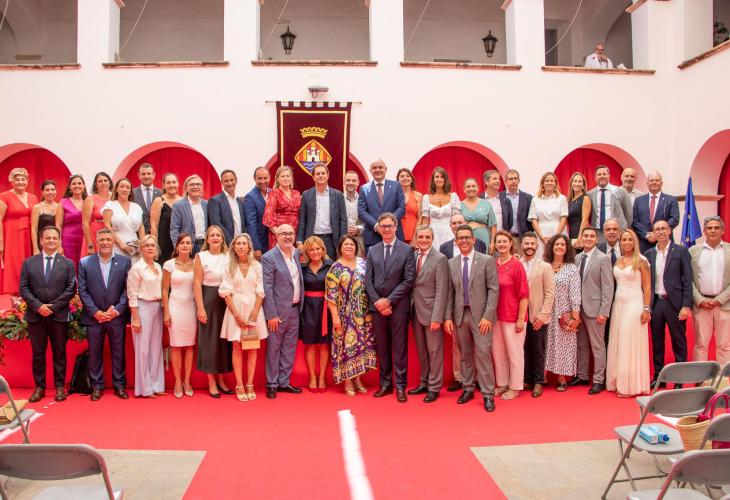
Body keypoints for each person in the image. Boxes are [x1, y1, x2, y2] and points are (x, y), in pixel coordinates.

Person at [444, 225, 500, 413]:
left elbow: (494, 290)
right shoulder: (451, 263)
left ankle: (488, 394)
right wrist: (448, 317)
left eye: (467, 237)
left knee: (483, 354)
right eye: (460, 238)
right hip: (460, 316)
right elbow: (449, 293)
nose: (464, 241)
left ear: (474, 240)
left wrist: (488, 317)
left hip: (481, 317)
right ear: (456, 241)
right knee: (465, 355)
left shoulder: (486, 260)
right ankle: (467, 388)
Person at [19, 226, 76, 403]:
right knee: (38, 353)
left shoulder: (67, 263)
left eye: (54, 238)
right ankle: (39, 388)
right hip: (36, 316)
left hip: (58, 315)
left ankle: (59, 387)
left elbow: (71, 289)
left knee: (59, 352)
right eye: (48, 238)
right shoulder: (29, 263)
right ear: (41, 241)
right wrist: (38, 306)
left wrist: (53, 307)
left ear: (59, 241)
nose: (51, 241)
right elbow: (24, 288)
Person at [364, 213, 416, 402]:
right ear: (379, 228)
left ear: (396, 227)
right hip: (378, 307)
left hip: (398, 307)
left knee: (399, 347)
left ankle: (400, 385)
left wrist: (390, 301)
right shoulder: (372, 250)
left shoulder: (407, 250)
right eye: (383, 226)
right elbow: (368, 280)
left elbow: (408, 279)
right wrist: (378, 302)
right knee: (383, 347)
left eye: (389, 226)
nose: (386, 229)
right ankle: (385, 384)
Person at [78, 228, 132, 401]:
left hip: (116, 316)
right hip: (94, 318)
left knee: (118, 352)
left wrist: (116, 310)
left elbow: (127, 289)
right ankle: (97, 386)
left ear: (113, 241)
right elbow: (82, 291)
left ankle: (119, 385)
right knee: (95, 353)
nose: (105, 243)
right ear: (97, 241)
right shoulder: (85, 262)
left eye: (109, 239)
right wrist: (95, 312)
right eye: (102, 240)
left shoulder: (125, 262)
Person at [326, 235, 376, 396]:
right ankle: (348, 379)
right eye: (346, 244)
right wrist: (335, 318)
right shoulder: (335, 268)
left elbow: (371, 286)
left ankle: (358, 378)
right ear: (340, 248)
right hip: (344, 315)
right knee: (347, 347)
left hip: (363, 313)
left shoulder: (363, 263)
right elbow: (331, 297)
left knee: (362, 346)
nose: (349, 247)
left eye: (352, 244)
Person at [219, 233, 267, 402]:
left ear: (249, 247)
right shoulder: (229, 267)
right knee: (237, 348)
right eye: (238, 244)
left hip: (254, 308)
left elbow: (260, 291)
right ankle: (239, 385)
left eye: (243, 244)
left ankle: (250, 384)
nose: (240, 246)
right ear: (233, 247)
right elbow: (226, 293)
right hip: (235, 309)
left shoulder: (257, 266)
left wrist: (254, 313)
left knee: (252, 347)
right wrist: (237, 315)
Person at [645, 220, 693, 388]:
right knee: (657, 342)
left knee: (678, 342)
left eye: (663, 228)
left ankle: (679, 379)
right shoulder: (649, 254)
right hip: (656, 302)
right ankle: (660, 377)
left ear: (669, 230)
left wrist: (686, 306)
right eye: (657, 229)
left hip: (675, 304)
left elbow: (688, 280)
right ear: (653, 233)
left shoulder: (681, 251)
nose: (660, 232)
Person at [606, 229, 652, 397]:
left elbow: (647, 287)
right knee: (618, 343)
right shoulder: (618, 260)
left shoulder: (641, 260)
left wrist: (646, 309)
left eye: (629, 239)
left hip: (634, 305)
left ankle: (630, 386)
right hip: (618, 305)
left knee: (628, 343)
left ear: (635, 242)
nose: (626, 242)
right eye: (624, 240)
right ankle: (618, 380)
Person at [262, 223, 304, 399]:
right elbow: (267, 288)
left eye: (291, 233)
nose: (288, 236)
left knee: (289, 348)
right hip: (277, 313)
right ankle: (272, 383)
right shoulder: (268, 257)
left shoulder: (297, 253)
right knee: (274, 349)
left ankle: (284, 382)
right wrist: (271, 314)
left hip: (295, 310)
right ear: (276, 236)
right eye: (284, 233)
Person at [408, 225, 448, 403]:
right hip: (415, 310)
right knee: (422, 351)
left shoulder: (440, 258)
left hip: (432, 312)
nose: (423, 240)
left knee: (434, 350)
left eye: (427, 237)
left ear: (432, 239)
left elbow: (441, 290)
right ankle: (424, 383)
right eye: (421, 237)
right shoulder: (412, 256)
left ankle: (434, 387)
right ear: (416, 238)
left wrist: (437, 317)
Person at [572, 227, 614, 394]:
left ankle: (598, 380)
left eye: (591, 236)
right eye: (585, 236)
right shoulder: (577, 258)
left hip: (595, 309)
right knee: (581, 344)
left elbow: (608, 287)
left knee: (598, 346)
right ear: (581, 238)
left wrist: (604, 311)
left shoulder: (603, 258)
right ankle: (583, 375)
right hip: (578, 309)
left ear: (597, 240)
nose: (588, 238)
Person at [193, 225, 233, 398]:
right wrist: (200, 308)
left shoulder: (229, 256)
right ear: (207, 239)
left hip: (227, 300)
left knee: (223, 341)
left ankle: (222, 378)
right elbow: (196, 284)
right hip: (208, 299)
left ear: (222, 238)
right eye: (212, 235)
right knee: (209, 341)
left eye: (218, 235)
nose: (215, 238)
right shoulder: (201, 256)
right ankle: (211, 381)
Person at [491, 231, 528, 401]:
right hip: (496, 317)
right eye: (498, 241)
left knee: (515, 353)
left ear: (511, 243)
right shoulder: (493, 264)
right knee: (498, 353)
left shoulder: (517, 265)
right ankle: (503, 383)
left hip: (513, 317)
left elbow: (524, 295)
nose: (501, 244)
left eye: (504, 241)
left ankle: (515, 386)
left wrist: (521, 319)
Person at [127, 235, 164, 398]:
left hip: (157, 308)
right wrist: (135, 317)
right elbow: (132, 294)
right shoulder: (136, 268)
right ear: (141, 249)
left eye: (153, 245)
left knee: (156, 348)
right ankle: (144, 388)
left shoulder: (158, 266)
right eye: (146, 245)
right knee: (143, 350)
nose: (150, 248)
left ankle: (156, 385)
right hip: (142, 308)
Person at [543, 234, 582, 392]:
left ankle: (562, 377)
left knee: (564, 344)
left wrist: (574, 317)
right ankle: (543, 375)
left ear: (567, 248)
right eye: (557, 244)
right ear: (551, 247)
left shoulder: (571, 268)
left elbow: (575, 293)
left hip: (564, 311)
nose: (559, 247)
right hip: (546, 311)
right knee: (545, 343)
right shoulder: (545, 265)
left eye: (563, 245)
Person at [690, 216, 730, 365]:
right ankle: (700, 377)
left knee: (725, 346)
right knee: (700, 345)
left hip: (725, 305)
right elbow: (687, 280)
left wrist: (719, 299)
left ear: (723, 230)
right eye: (709, 228)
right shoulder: (693, 251)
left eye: (716, 227)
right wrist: (700, 300)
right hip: (702, 305)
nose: (713, 230)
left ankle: (725, 378)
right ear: (704, 231)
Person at [520, 232, 555, 398]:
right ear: (521, 246)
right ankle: (527, 379)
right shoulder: (517, 263)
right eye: (526, 244)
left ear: (537, 246)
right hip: (520, 316)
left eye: (532, 244)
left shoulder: (545, 267)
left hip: (538, 315)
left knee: (538, 349)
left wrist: (542, 316)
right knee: (524, 348)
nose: (529, 247)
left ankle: (538, 381)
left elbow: (550, 293)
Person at [162, 233, 197, 398]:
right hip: (175, 308)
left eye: (188, 243)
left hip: (191, 309)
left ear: (192, 246)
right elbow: (164, 290)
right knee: (175, 346)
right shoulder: (169, 265)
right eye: (182, 243)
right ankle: (177, 381)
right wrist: (166, 312)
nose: (185, 245)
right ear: (177, 246)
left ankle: (187, 381)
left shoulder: (197, 263)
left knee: (189, 346)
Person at [299, 236, 333, 393]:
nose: (315, 252)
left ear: (323, 249)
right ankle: (312, 376)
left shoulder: (331, 266)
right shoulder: (302, 267)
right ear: (307, 252)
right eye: (311, 249)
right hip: (307, 307)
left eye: (318, 248)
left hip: (326, 307)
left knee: (325, 344)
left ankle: (322, 377)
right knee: (310, 344)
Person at [296, 163, 347, 259]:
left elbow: (343, 220)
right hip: (312, 239)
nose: (320, 176)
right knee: (312, 266)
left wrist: (343, 241)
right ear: (313, 177)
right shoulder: (306, 195)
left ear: (328, 175)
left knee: (330, 267)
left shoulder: (338, 195)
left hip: (331, 240)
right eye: (317, 174)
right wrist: (299, 241)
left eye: (323, 173)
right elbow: (302, 220)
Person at [0, 167, 38, 294]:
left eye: (23, 179)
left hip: (29, 234)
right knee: (14, 262)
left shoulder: (33, 197)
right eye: (17, 180)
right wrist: (0, 242)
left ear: (27, 181)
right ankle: (13, 291)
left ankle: (27, 291)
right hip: (11, 234)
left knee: (28, 261)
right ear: (12, 181)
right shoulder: (4, 196)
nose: (21, 182)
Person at [358, 159, 406, 251]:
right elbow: (362, 211)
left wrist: (389, 224)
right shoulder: (364, 189)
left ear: (385, 169)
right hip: (372, 237)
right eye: (374, 168)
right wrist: (376, 226)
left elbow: (402, 208)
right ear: (370, 170)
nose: (377, 170)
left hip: (395, 235)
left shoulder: (396, 186)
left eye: (380, 167)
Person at [632, 171, 680, 253]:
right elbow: (635, 221)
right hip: (644, 244)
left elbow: (674, 219)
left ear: (662, 183)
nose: (654, 182)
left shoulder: (671, 200)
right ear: (647, 183)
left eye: (657, 180)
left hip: (665, 242)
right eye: (651, 180)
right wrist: (647, 235)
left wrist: (657, 233)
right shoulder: (638, 201)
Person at [527, 172, 569, 260]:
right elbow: (534, 220)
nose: (549, 183)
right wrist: (541, 237)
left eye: (552, 181)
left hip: (558, 231)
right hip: (541, 233)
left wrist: (556, 237)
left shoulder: (562, 198)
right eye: (547, 181)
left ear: (555, 183)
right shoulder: (535, 199)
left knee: (559, 257)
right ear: (542, 184)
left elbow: (563, 219)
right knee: (542, 258)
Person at [103, 178, 144, 259]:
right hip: (116, 244)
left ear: (130, 191)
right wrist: (121, 244)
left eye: (127, 187)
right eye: (122, 186)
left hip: (134, 246)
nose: (125, 189)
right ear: (116, 189)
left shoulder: (137, 207)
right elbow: (107, 225)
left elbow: (141, 227)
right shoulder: (110, 205)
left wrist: (142, 244)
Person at [421, 166, 461, 249]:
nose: (439, 179)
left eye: (442, 177)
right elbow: (425, 221)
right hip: (433, 233)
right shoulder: (426, 198)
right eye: (437, 177)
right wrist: (424, 236)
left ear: (445, 179)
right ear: (433, 180)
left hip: (449, 233)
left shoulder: (453, 197)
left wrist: (458, 234)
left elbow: (457, 219)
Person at [263, 166, 301, 249]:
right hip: (279, 233)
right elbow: (268, 216)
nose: (286, 178)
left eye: (288, 176)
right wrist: (279, 233)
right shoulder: (274, 194)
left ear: (291, 178)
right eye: (283, 176)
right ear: (277, 178)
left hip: (295, 232)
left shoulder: (296, 193)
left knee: (294, 256)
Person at [587, 165, 631, 237]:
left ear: (609, 176)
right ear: (595, 177)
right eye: (599, 174)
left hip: (617, 232)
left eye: (604, 174)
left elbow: (628, 214)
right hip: (598, 232)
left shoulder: (621, 192)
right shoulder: (589, 194)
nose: (602, 176)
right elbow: (588, 216)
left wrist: (623, 229)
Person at [170, 175, 208, 255]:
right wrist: (178, 247)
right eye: (192, 185)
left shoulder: (207, 204)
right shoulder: (178, 205)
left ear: (202, 187)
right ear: (186, 188)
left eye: (198, 184)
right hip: (187, 247)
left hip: (205, 246)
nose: (195, 187)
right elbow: (174, 229)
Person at [208, 169, 246, 246]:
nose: (229, 183)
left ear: (236, 180)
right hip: (225, 244)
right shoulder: (215, 200)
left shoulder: (240, 201)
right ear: (221, 182)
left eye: (232, 180)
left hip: (240, 244)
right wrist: (231, 242)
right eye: (226, 181)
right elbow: (216, 224)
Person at [150, 173, 182, 263]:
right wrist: (155, 246)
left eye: (174, 182)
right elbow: (154, 225)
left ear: (178, 184)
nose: (171, 185)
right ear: (164, 185)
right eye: (168, 183)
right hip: (162, 244)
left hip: (178, 244)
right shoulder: (159, 200)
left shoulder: (182, 201)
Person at [56, 174, 87, 269]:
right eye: (74, 184)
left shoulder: (88, 201)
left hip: (85, 239)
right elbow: (58, 225)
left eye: (79, 183)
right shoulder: (63, 202)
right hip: (68, 239)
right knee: (70, 265)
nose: (77, 186)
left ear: (84, 186)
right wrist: (58, 245)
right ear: (70, 187)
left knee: (84, 264)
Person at [461, 178, 497, 252]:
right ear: (464, 189)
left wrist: (493, 242)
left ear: (477, 188)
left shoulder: (486, 204)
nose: (471, 188)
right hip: (465, 238)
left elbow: (493, 225)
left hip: (483, 237)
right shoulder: (459, 205)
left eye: (473, 186)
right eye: (468, 186)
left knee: (484, 257)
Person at [243, 167, 272, 259]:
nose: (263, 181)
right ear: (254, 178)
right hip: (261, 243)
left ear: (269, 177)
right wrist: (256, 247)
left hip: (274, 241)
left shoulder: (273, 193)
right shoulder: (250, 197)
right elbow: (251, 224)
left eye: (265, 178)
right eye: (259, 178)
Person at [82, 171, 113, 254]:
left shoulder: (114, 199)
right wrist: (90, 244)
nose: (103, 183)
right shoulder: (90, 199)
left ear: (110, 183)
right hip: (94, 234)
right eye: (100, 181)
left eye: (105, 180)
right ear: (96, 184)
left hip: (111, 234)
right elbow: (85, 224)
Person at [500, 169, 533, 242]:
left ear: (519, 180)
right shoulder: (499, 197)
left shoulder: (527, 198)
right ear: (505, 181)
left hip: (521, 238)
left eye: (515, 178)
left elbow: (530, 220)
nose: (513, 181)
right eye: (510, 179)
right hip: (503, 238)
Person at [30, 180, 59, 254]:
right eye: (47, 190)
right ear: (42, 192)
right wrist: (35, 248)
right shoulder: (37, 207)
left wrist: (59, 245)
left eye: (52, 189)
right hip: (42, 243)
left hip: (55, 243)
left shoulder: (60, 207)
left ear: (56, 191)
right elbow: (34, 229)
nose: (50, 192)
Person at [132, 163, 162, 234]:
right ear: (139, 175)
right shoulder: (132, 193)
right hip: (138, 235)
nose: (146, 176)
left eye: (148, 173)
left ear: (153, 175)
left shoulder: (161, 193)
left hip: (158, 234)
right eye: (143, 174)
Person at [567, 172, 592, 249]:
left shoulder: (585, 198)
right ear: (571, 183)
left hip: (579, 236)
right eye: (575, 181)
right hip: (571, 236)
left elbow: (585, 220)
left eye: (580, 181)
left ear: (583, 185)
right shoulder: (570, 201)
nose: (577, 184)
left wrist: (580, 238)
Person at [396, 168, 422, 244]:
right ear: (398, 180)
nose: (405, 178)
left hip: (413, 236)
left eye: (407, 176)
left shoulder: (418, 196)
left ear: (412, 179)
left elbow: (420, 218)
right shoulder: (393, 196)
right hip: (397, 236)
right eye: (402, 176)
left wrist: (415, 237)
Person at [343, 170, 365, 256]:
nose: (351, 183)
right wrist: (344, 229)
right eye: (348, 180)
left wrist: (358, 229)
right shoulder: (337, 199)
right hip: (341, 242)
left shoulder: (365, 200)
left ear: (358, 182)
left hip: (359, 242)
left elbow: (369, 222)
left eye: (353, 180)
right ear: (344, 182)